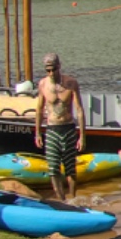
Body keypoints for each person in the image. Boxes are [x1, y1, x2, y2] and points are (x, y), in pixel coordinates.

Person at [34, 53, 85, 200]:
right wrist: (37, 133)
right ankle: (61, 199)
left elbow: (79, 110)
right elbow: (39, 109)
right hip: (52, 129)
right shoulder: (43, 84)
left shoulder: (71, 83)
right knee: (53, 169)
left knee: (71, 169)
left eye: (53, 69)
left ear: (59, 67)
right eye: (48, 70)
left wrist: (82, 136)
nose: (51, 73)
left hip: (68, 127)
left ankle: (73, 198)